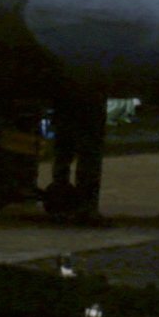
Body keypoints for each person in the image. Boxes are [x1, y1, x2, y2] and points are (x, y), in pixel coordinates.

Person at [47, 93, 109, 226]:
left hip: (66, 101)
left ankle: (61, 205)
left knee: (63, 155)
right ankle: (86, 208)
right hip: (90, 102)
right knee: (89, 156)